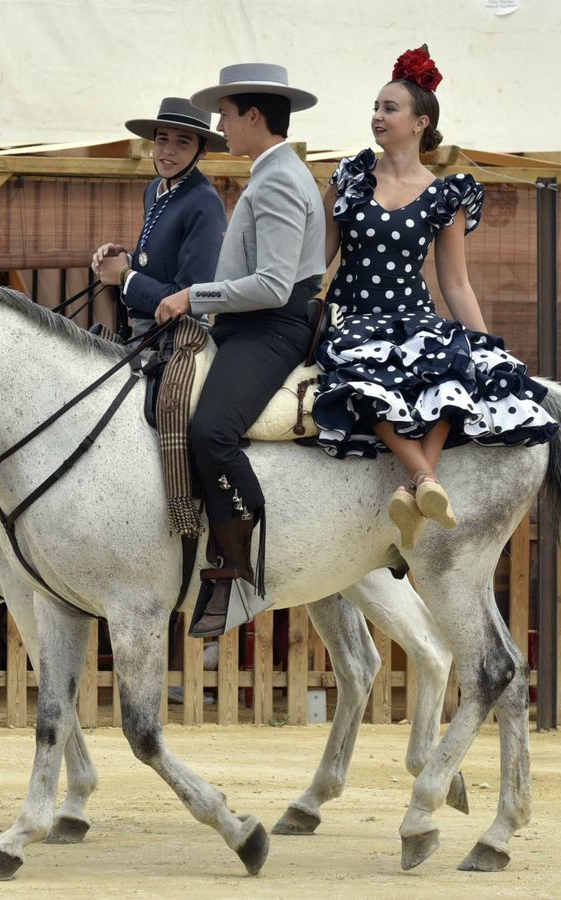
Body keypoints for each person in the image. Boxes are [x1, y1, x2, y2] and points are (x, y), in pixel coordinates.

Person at [312, 46, 557, 550]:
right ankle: (426, 479)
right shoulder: (351, 177)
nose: (377, 117)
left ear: (421, 122)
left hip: (414, 317)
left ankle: (414, 486)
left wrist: (486, 344)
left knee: (460, 364)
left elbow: (456, 284)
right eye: (376, 108)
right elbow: (320, 261)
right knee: (362, 373)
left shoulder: (448, 194)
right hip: (354, 316)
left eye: (389, 108)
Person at [153, 63, 326, 638]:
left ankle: (241, 564)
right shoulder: (272, 171)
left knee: (212, 432)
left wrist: (189, 296)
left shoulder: (277, 178)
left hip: (270, 328)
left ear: (254, 115)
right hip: (248, 326)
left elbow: (275, 285)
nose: (221, 125)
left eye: (226, 114)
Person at [90, 97, 228, 340]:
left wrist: (124, 275)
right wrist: (123, 259)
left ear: (203, 149)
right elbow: (159, 264)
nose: (168, 150)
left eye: (182, 142)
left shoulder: (205, 202)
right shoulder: (154, 188)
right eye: (162, 139)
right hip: (139, 331)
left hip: (177, 337)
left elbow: (190, 298)